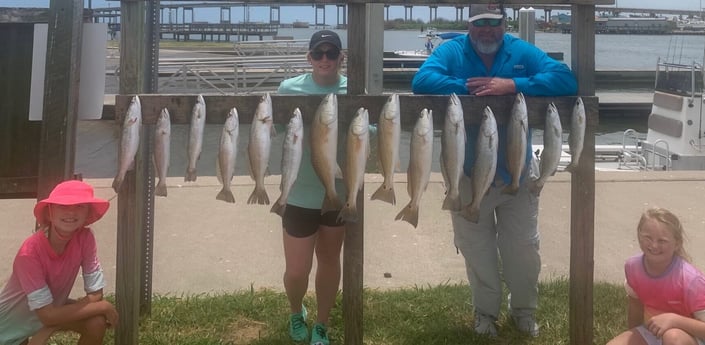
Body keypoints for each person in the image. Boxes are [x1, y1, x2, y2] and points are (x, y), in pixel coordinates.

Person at [412, 3, 578, 338]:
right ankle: (485, 314)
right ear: (469, 25)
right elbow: (422, 80)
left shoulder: (520, 50)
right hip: (466, 176)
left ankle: (524, 311)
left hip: (517, 174)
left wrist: (512, 84)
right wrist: (472, 88)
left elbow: (565, 78)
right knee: (477, 252)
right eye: (479, 23)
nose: (487, 29)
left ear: (505, 23)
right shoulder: (451, 51)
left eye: (493, 22)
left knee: (523, 250)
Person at [277, 29, 347, 345]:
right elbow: (276, 128)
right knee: (296, 270)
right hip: (299, 193)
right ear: (309, 57)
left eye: (331, 54)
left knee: (330, 261)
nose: (325, 60)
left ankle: (322, 323)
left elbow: (372, 129)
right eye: (318, 53)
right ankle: (296, 311)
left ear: (340, 58)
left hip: (337, 195)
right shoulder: (288, 88)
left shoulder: (353, 89)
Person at [0, 180, 118, 345]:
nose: (71, 212)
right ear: (49, 213)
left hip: (50, 312)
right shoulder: (30, 252)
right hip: (7, 330)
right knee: (97, 313)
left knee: (96, 323)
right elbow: (47, 315)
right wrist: (103, 307)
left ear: (87, 213)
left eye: (80, 206)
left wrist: (51, 324)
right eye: (62, 206)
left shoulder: (85, 238)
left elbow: (96, 293)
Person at [607, 208, 705, 345]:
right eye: (647, 238)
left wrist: (674, 320)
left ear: (677, 243)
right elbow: (635, 305)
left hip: (691, 337)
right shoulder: (633, 267)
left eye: (662, 241)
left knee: (673, 337)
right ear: (639, 236)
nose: (654, 245)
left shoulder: (692, 280)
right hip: (654, 331)